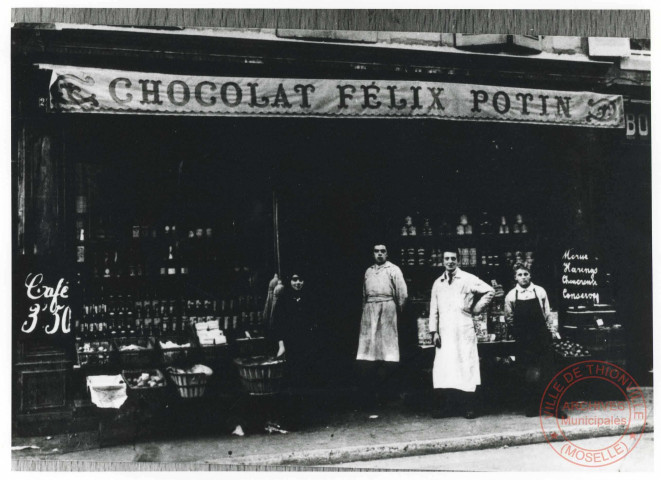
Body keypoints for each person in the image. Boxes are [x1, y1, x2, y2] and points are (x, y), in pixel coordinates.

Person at [429, 249, 494, 419]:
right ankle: (447, 407)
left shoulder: (468, 278)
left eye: (453, 258)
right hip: (445, 331)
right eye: (446, 258)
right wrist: (434, 331)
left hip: (463, 327)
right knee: (446, 368)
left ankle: (469, 407)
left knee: (466, 366)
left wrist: (476, 309)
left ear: (458, 260)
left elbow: (490, 291)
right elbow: (433, 309)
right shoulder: (438, 283)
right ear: (442, 261)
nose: (450, 261)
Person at [504, 265, 567, 418]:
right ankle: (533, 406)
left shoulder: (539, 291)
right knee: (529, 373)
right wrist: (519, 333)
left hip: (541, 337)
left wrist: (551, 331)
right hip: (524, 339)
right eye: (520, 274)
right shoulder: (511, 296)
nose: (523, 277)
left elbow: (547, 313)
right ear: (515, 278)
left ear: (530, 275)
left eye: (526, 274)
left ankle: (554, 407)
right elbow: (509, 318)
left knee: (549, 371)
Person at [356, 244, 408, 407]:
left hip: (387, 308)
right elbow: (364, 294)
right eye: (376, 251)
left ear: (387, 253)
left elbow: (402, 293)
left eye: (382, 251)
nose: (379, 254)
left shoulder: (394, 269)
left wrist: (397, 311)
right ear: (373, 254)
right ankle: (372, 393)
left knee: (388, 350)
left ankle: (389, 392)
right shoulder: (369, 271)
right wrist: (366, 309)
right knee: (369, 350)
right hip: (370, 310)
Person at [272, 270, 321, 428]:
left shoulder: (310, 298)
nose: (297, 283)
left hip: (307, 344)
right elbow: (278, 324)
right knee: (292, 380)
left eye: (301, 279)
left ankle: (307, 418)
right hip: (290, 344)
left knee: (306, 379)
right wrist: (281, 345)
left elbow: (315, 321)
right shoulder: (284, 299)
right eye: (294, 279)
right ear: (289, 281)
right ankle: (292, 420)